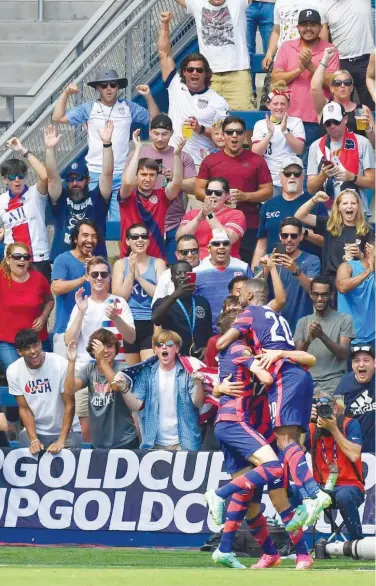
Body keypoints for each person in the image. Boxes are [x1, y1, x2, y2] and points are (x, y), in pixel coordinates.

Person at [216, 278, 332, 528]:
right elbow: (309, 357)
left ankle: (313, 493)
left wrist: (234, 348)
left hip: (281, 380)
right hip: (301, 375)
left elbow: (221, 342)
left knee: (284, 444)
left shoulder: (248, 316)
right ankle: (309, 495)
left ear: (247, 297)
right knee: (292, 445)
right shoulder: (278, 318)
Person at [208, 309, 315, 570]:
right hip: (244, 428)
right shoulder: (240, 352)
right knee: (250, 500)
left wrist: (218, 387)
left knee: (277, 497)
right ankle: (269, 553)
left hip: (263, 429)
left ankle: (301, 554)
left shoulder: (250, 352)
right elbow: (216, 381)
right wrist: (218, 387)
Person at [52, 72, 159, 220]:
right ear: (98, 88)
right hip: (95, 173)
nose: (109, 88)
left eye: (113, 85)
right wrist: (65, 94)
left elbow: (155, 120)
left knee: (119, 222)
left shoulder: (128, 106)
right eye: (104, 85)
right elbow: (58, 118)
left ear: (118, 87)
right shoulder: (89, 108)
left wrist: (148, 96)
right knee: (92, 221)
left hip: (122, 173)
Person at [64, 256, 135, 440]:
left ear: (109, 277)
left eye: (104, 274)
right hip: (86, 373)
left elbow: (131, 338)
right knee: (88, 432)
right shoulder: (81, 305)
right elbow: (68, 340)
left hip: (115, 372)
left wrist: (117, 318)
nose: (99, 278)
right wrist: (81, 311)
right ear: (87, 277)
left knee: (123, 424)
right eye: (94, 274)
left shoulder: (119, 302)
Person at [196, 116, 273, 263]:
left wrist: (246, 196)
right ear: (223, 135)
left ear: (245, 135)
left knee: (245, 268)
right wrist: (218, 197)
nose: (234, 136)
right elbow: (198, 190)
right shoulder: (210, 161)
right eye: (230, 132)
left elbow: (268, 191)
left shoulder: (256, 160)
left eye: (238, 132)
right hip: (216, 222)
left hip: (249, 224)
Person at [158, 11, 229, 165]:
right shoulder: (175, 85)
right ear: (184, 72)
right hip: (172, 159)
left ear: (206, 73)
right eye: (190, 70)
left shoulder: (217, 101)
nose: (194, 73)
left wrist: (200, 129)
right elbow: (164, 53)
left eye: (199, 70)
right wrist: (164, 25)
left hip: (200, 163)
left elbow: (225, 136)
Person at [114, 330, 205, 450]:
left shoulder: (189, 370)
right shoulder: (146, 372)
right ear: (154, 349)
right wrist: (124, 389)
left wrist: (198, 385)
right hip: (153, 443)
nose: (164, 347)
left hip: (186, 443)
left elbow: (198, 403)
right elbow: (135, 406)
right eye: (159, 344)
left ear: (177, 349)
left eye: (169, 343)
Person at [125, 114, 197, 265]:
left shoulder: (182, 156)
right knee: (145, 269)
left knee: (176, 269)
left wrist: (175, 179)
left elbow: (194, 187)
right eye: (156, 134)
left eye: (164, 134)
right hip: (145, 223)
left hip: (174, 223)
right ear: (150, 132)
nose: (160, 138)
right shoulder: (137, 154)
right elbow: (128, 183)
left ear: (171, 133)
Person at [272, 9, 339, 153]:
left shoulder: (330, 49)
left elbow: (333, 84)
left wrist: (310, 65)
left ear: (321, 28)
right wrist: (299, 70)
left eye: (313, 24)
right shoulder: (287, 46)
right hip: (288, 118)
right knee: (288, 167)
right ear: (298, 28)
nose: (308, 28)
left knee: (313, 166)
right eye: (304, 24)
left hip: (317, 119)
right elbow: (276, 78)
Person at [45, 122, 113, 261]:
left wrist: (107, 144)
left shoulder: (97, 198)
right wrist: (50, 149)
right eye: (70, 179)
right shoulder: (61, 197)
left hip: (95, 262)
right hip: (62, 259)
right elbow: (52, 177)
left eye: (80, 178)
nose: (75, 183)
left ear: (88, 180)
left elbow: (107, 173)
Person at [7, 328, 81, 454]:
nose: (33, 351)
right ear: (19, 352)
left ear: (41, 344)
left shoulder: (60, 363)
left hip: (67, 430)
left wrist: (61, 441)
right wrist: (34, 440)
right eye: (27, 348)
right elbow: (24, 408)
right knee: (26, 450)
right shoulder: (13, 371)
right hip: (37, 431)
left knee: (67, 455)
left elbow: (70, 404)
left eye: (35, 345)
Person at [65, 330, 139, 450]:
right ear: (92, 351)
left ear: (116, 349)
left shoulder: (124, 368)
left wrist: (102, 360)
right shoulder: (89, 369)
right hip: (98, 444)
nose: (104, 350)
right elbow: (69, 389)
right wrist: (71, 362)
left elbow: (116, 386)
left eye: (109, 346)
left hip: (125, 441)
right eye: (100, 347)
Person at [174, 0, 252, 111]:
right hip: (209, 76)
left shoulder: (237, 2)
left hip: (238, 73)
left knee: (244, 119)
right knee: (208, 121)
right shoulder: (197, 3)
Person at [118, 130, 185, 260]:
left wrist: (177, 154)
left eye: (151, 175)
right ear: (136, 176)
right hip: (129, 259)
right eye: (143, 174)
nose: (147, 179)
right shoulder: (128, 196)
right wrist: (138, 149)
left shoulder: (162, 196)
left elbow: (177, 183)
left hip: (156, 260)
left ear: (156, 178)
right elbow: (127, 181)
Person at [252, 155, 327, 269]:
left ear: (303, 176)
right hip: (275, 270)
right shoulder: (268, 205)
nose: (292, 177)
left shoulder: (316, 203)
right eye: (287, 173)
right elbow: (262, 244)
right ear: (280, 176)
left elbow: (326, 242)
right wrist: (255, 273)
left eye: (297, 173)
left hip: (307, 270)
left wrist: (303, 232)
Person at [307, 392, 365, 540]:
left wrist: (334, 429)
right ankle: (295, 544)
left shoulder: (349, 424)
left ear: (335, 408)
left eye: (328, 407)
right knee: (294, 490)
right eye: (320, 407)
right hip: (321, 487)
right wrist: (303, 422)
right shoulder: (311, 426)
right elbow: (296, 448)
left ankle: (356, 542)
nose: (325, 412)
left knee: (343, 496)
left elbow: (354, 455)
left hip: (350, 486)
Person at [112, 223, 166, 365]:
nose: (140, 240)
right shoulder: (120, 264)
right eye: (135, 237)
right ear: (128, 241)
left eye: (143, 236)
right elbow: (120, 298)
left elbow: (161, 296)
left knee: (149, 367)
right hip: (128, 322)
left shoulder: (158, 263)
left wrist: (140, 278)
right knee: (132, 372)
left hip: (151, 322)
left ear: (148, 241)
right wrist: (130, 273)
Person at [307, 102, 375, 213]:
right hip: (328, 212)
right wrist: (323, 175)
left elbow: (372, 182)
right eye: (328, 123)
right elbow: (311, 188)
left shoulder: (362, 143)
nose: (332, 126)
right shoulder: (315, 146)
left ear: (345, 119)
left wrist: (352, 177)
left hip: (357, 212)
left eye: (336, 121)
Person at [294, 189, 375, 278]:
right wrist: (314, 200)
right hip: (330, 279)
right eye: (345, 203)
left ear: (358, 206)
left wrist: (360, 254)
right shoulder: (329, 224)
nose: (349, 206)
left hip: (355, 280)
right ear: (339, 207)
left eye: (353, 203)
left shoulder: (367, 230)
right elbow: (299, 216)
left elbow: (371, 261)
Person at [0, 136, 50, 280]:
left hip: (38, 258)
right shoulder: (2, 200)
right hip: (13, 260)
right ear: (5, 180)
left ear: (25, 177)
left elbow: (45, 176)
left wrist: (23, 150)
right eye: (12, 177)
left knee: (43, 300)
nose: (17, 180)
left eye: (20, 176)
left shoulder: (35, 193)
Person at [294, 277, 354, 395]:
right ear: (310, 295)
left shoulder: (344, 319)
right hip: (308, 382)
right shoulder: (303, 322)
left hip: (335, 382)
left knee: (337, 413)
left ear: (331, 295)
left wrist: (321, 336)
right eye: (316, 294)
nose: (320, 299)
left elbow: (343, 354)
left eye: (324, 295)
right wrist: (309, 340)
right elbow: (297, 358)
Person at [0, 242, 54, 374]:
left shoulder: (38, 278)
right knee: (16, 376)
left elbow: (50, 301)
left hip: (37, 339)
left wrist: (43, 316)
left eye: (26, 257)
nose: (22, 259)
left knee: (45, 376)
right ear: (8, 260)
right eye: (17, 256)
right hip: (8, 341)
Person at [262, 217, 321, 333]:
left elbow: (313, 290)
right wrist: (268, 268)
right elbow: (255, 289)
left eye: (293, 236)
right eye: (285, 235)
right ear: (280, 236)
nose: (289, 240)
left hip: (300, 326)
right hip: (272, 327)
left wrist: (296, 270)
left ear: (301, 237)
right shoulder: (267, 258)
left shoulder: (312, 260)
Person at [51, 220, 99, 354]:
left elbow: (107, 294)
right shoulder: (62, 259)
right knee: (65, 375)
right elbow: (56, 288)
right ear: (75, 238)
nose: (89, 240)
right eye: (85, 235)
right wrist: (84, 277)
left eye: (93, 236)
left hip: (94, 332)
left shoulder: (100, 264)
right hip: (65, 331)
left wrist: (95, 268)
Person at [311, 49, 375, 145]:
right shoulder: (325, 106)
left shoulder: (362, 109)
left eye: (347, 82)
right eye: (337, 83)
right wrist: (325, 60)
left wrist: (368, 129)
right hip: (331, 157)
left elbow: (374, 144)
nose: (342, 86)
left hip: (356, 157)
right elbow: (315, 87)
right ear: (331, 88)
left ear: (352, 87)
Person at [252, 82, 305, 195]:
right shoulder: (260, 124)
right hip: (268, 178)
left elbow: (299, 150)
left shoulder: (296, 122)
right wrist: (269, 134)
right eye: (275, 104)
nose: (279, 107)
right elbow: (256, 152)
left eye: (283, 104)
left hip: (291, 176)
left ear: (289, 105)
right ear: (268, 105)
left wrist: (285, 131)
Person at [194, 230, 253, 331]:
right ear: (209, 248)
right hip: (207, 330)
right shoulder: (197, 271)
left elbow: (252, 297)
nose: (221, 246)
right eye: (216, 244)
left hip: (240, 328)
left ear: (230, 247)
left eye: (225, 243)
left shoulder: (243, 267)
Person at [152, 261, 213, 359]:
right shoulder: (163, 302)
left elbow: (209, 331)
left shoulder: (202, 302)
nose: (182, 276)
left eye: (186, 273)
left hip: (199, 358)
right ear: (172, 278)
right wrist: (175, 295)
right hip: (175, 357)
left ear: (192, 276)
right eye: (178, 273)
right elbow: (155, 319)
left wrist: (207, 348)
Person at [177, 177, 246, 260]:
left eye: (218, 193)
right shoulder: (193, 214)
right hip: (194, 262)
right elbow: (179, 237)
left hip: (223, 264)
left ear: (227, 195)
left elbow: (228, 238)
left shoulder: (236, 214)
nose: (212, 196)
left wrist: (209, 215)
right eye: (209, 192)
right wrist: (198, 218)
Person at [324, 0, 375, 110]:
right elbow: (323, 39)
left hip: (366, 59)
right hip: (340, 62)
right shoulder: (323, 4)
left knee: (371, 105)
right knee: (341, 107)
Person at [263, 0, 329, 74]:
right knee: (272, 83)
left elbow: (322, 30)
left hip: (307, 60)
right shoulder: (279, 2)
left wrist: (321, 57)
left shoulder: (317, 2)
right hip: (281, 59)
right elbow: (276, 32)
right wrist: (269, 54)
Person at [334, 345, 375, 454]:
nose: (361, 364)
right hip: (354, 444)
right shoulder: (345, 383)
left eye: (366, 360)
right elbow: (338, 414)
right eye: (356, 361)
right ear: (352, 365)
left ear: (374, 363)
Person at [336, 243, 375, 347]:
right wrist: (368, 272)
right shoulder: (348, 266)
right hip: (349, 338)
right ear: (368, 249)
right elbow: (342, 287)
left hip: (373, 339)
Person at [152, 234, 200, 304]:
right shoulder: (167, 274)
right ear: (177, 254)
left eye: (194, 251)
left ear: (199, 251)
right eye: (184, 252)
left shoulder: (207, 269)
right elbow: (156, 305)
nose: (190, 255)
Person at [246, 0, 276, 105]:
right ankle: (250, 93)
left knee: (271, 53)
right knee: (246, 52)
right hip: (247, 5)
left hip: (271, 4)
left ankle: (269, 95)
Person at [205, 295, 242, 367]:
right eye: (230, 312)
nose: (234, 314)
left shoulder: (250, 337)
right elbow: (212, 368)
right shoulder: (214, 341)